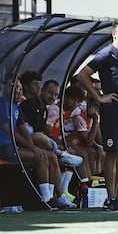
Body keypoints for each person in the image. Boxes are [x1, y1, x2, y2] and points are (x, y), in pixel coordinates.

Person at [77, 19, 118, 212]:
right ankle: (111, 198)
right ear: (114, 34)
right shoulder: (105, 54)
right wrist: (99, 97)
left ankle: (115, 195)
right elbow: (82, 74)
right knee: (112, 153)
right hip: (112, 112)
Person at [0, 78, 76, 208]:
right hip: (4, 148)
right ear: (6, 89)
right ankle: (45, 199)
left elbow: (24, 131)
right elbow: (11, 133)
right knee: (41, 157)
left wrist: (33, 148)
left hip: (13, 149)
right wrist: (33, 149)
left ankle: (57, 196)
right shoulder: (2, 104)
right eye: (14, 87)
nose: (18, 91)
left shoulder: (16, 107)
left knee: (50, 156)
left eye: (19, 88)